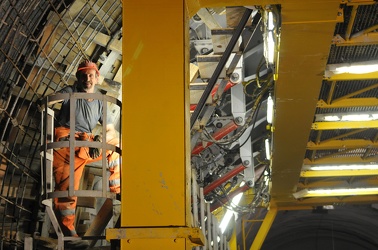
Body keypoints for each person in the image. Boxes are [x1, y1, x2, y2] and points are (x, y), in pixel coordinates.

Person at [48, 60, 120, 249]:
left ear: (97, 78)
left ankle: (118, 190)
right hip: (66, 143)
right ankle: (69, 235)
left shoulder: (100, 100)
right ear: (78, 78)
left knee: (115, 144)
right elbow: (50, 100)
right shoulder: (70, 92)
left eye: (90, 75)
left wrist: (100, 140)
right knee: (66, 191)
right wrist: (61, 95)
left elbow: (111, 131)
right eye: (83, 75)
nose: (87, 79)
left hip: (87, 143)